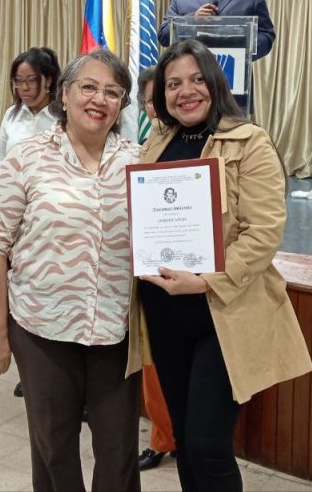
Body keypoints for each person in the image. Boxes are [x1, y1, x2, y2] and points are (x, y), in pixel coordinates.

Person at [130, 39, 312, 491]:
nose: (185, 91)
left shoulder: (250, 142)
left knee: (208, 444)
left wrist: (206, 281)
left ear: (215, 82)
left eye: (196, 79)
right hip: (164, 310)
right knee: (186, 439)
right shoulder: (156, 141)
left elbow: (263, 232)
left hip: (222, 313)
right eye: (173, 84)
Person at [0, 49, 142, 491]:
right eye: (89, 87)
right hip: (41, 330)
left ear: (122, 105)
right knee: (54, 449)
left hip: (116, 331)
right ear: (64, 94)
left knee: (119, 451)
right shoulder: (25, 158)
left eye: (113, 92)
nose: (100, 99)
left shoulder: (140, 162)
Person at [0, 46, 61, 398]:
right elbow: (0, 159)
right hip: (14, 213)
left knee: (50, 285)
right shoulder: (12, 115)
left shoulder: (62, 117)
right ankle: (29, 369)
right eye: (17, 82)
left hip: (49, 215)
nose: (23, 88)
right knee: (20, 289)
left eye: (29, 80)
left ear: (48, 80)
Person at [132, 67, 177, 472]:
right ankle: (162, 438)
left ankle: (179, 436)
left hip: (198, 279)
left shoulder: (206, 142)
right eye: (148, 100)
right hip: (153, 274)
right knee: (154, 368)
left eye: (159, 97)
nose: (155, 106)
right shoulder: (141, 149)